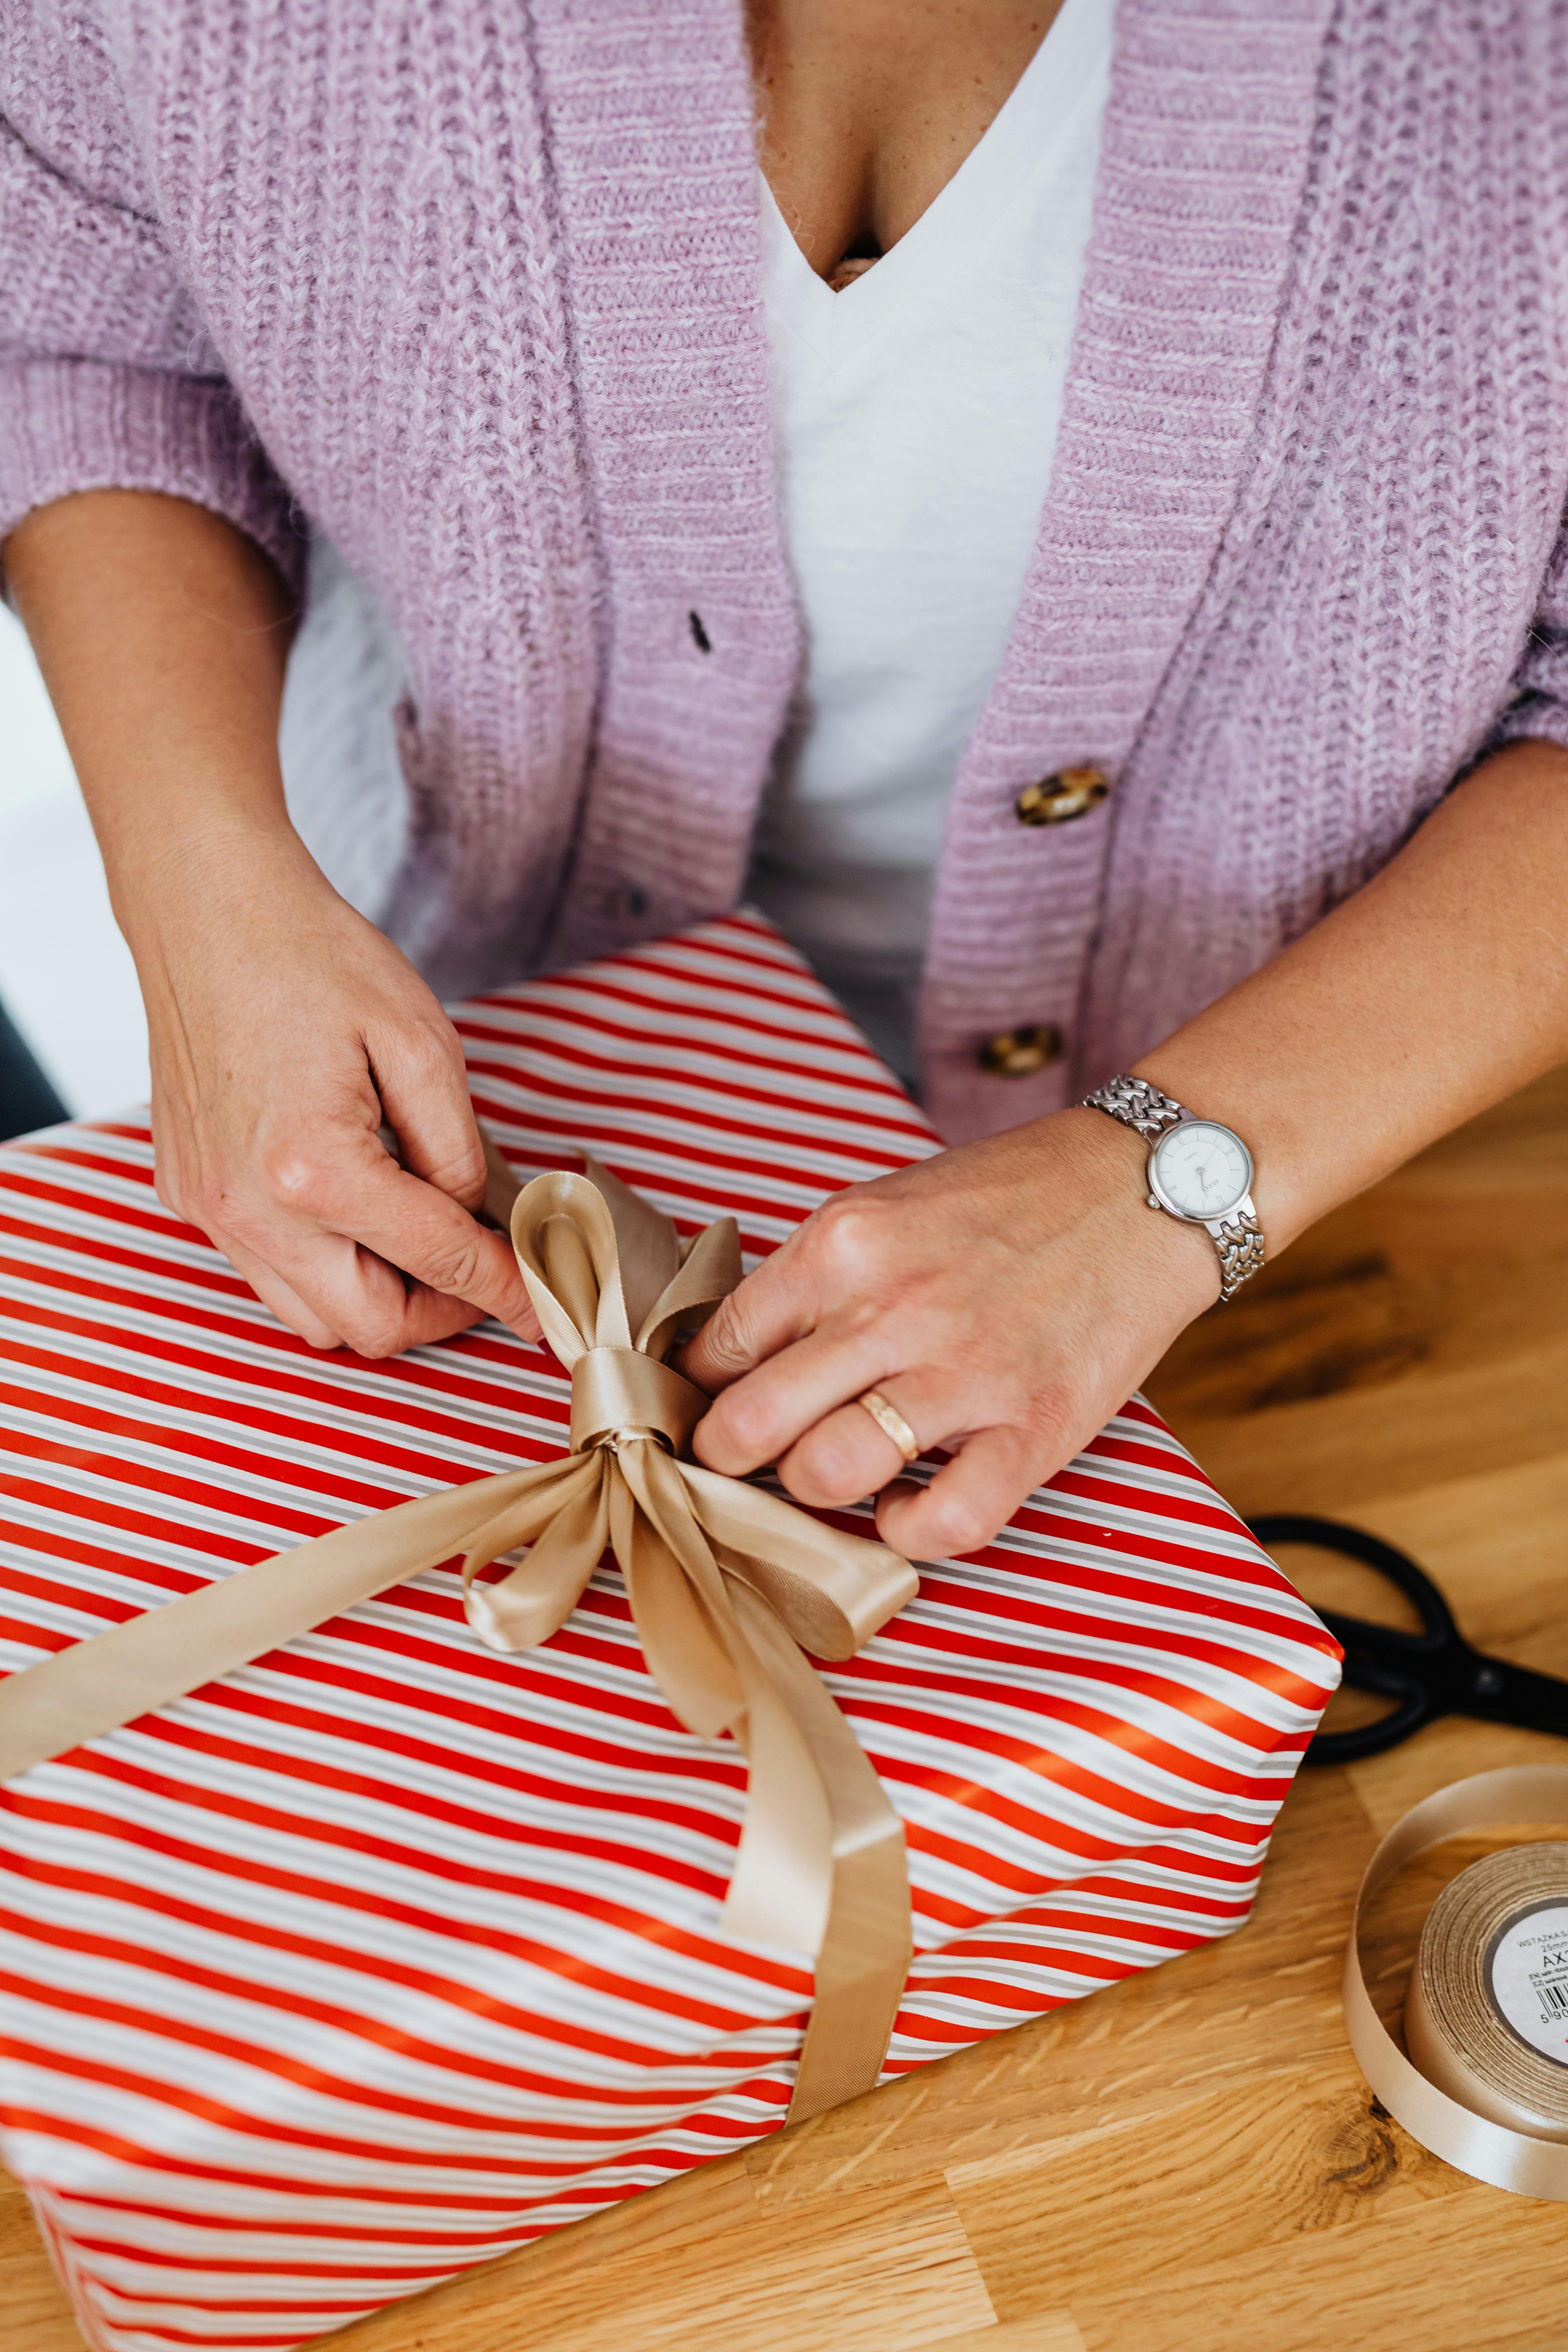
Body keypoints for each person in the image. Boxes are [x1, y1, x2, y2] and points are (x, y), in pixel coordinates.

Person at [4, 0, 1567, 1568]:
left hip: (1319, 1134)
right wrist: (199, 885)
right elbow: (84, 329)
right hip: (409, 1033)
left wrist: (1164, 1187)